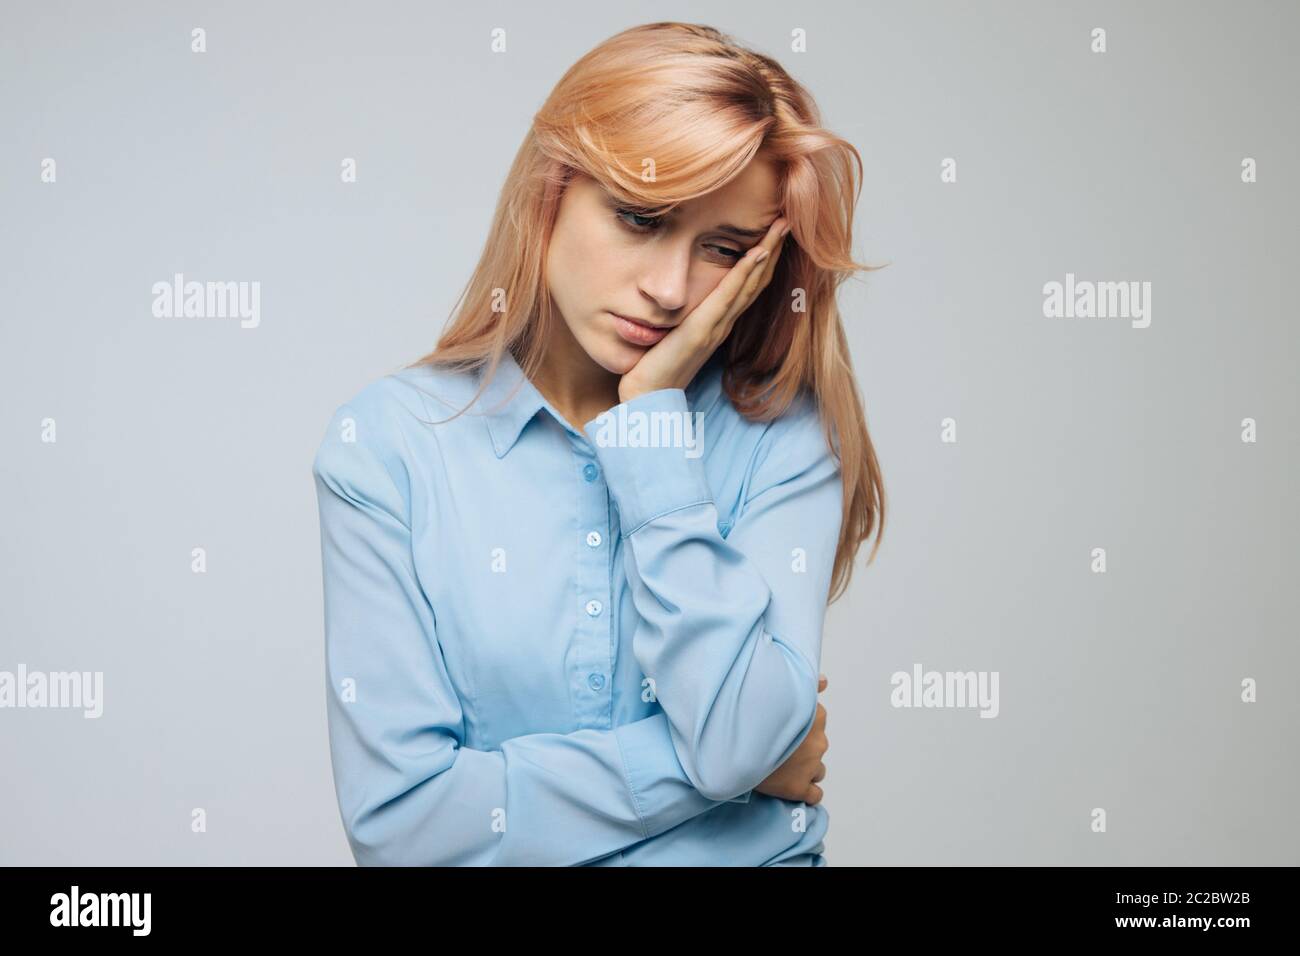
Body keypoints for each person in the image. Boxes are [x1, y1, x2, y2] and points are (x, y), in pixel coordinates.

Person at [311, 21, 885, 866]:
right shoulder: (389, 448)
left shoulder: (779, 435)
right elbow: (404, 828)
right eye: (640, 218)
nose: (668, 289)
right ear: (552, 188)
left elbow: (736, 739)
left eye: (721, 250)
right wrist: (718, 770)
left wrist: (650, 424)